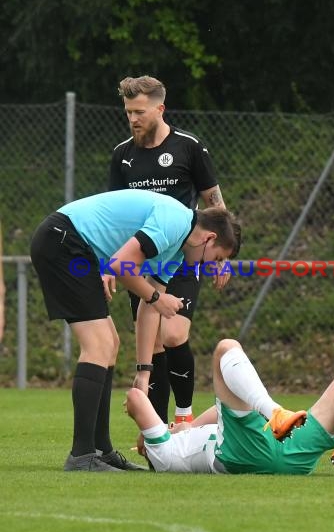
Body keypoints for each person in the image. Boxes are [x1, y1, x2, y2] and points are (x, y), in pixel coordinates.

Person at [30, 190, 241, 472]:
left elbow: (149, 305)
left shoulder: (178, 251)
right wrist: (157, 299)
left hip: (73, 244)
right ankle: (82, 456)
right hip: (63, 241)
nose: (211, 267)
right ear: (209, 238)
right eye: (216, 258)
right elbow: (120, 267)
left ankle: (101, 451)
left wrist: (144, 372)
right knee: (99, 344)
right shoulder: (175, 221)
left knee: (110, 343)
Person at [109, 75, 228, 426]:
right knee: (153, 347)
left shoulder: (189, 146)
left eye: (140, 112)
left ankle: (185, 415)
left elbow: (214, 202)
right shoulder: (123, 155)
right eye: (128, 111)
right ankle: (157, 431)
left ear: (160, 109)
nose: (133, 119)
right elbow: (117, 212)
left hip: (183, 257)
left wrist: (222, 256)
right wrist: (110, 262)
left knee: (173, 333)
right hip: (144, 261)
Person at [125, 338, 334, 474]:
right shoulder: (162, 455)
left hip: (286, 448)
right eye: (165, 426)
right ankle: (274, 411)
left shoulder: (188, 436)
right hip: (242, 454)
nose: (170, 425)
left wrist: (189, 426)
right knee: (225, 348)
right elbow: (137, 401)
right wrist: (160, 429)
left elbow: (221, 413)